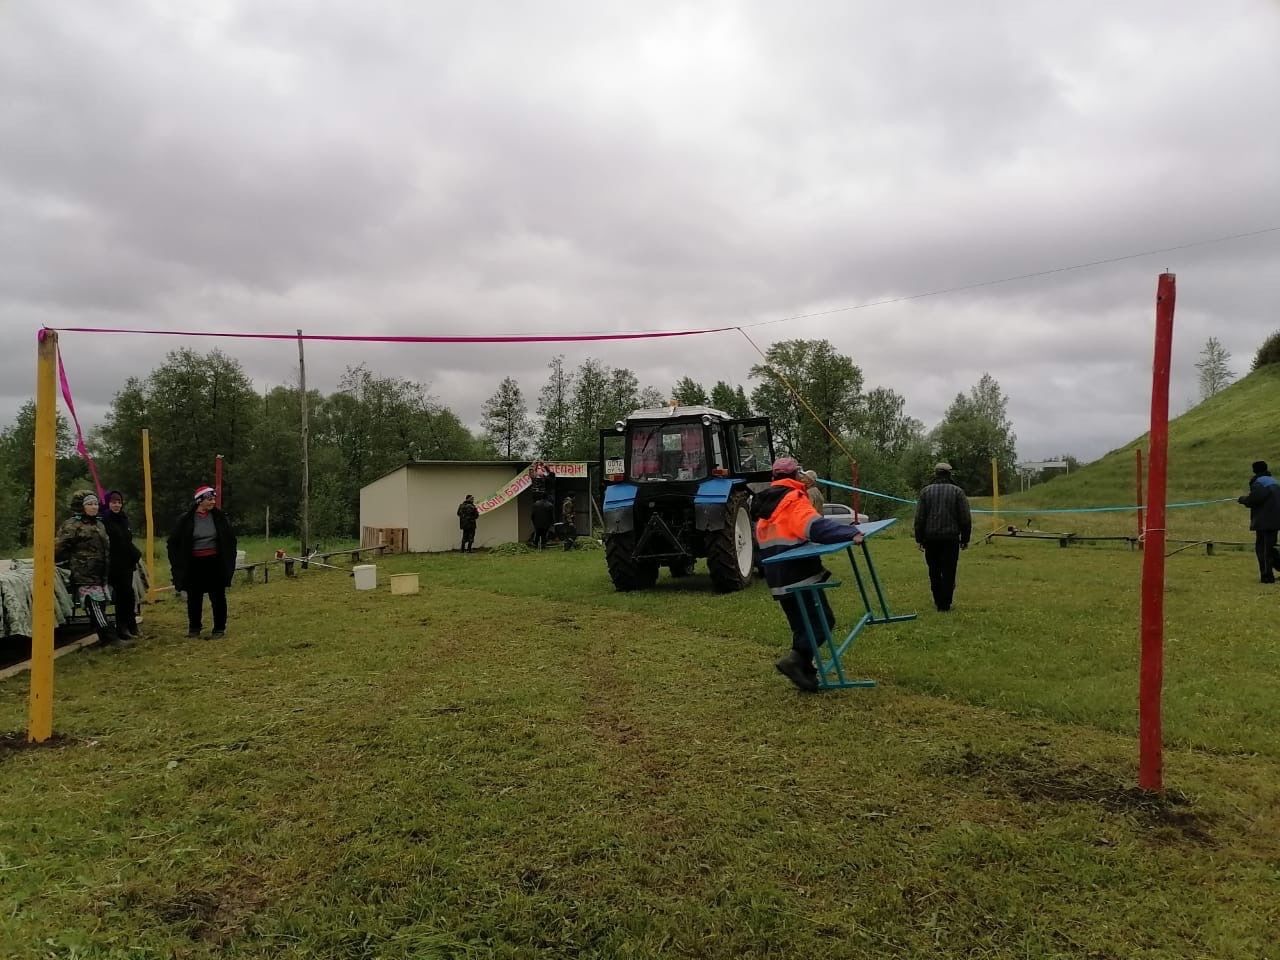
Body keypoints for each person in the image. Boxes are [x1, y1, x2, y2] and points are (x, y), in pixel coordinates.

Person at [752, 457, 864, 692]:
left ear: (773, 478)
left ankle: (806, 673)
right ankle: (793, 661)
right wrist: (850, 532)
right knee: (822, 623)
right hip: (801, 575)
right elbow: (815, 527)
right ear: (795, 476)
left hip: (777, 579)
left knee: (802, 627)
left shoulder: (764, 507)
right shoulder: (792, 499)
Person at [167, 485, 237, 638]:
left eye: (213, 499)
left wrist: (228, 559)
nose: (213, 502)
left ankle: (219, 628)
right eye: (209, 499)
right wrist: (178, 562)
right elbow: (173, 542)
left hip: (215, 562)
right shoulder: (186, 520)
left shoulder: (219, 518)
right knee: (194, 597)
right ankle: (194, 628)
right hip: (194, 563)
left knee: (218, 596)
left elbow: (230, 539)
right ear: (200, 501)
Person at [55, 490, 123, 647]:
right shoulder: (72, 525)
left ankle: (102, 637)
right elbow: (59, 547)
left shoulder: (98, 523)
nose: (94, 507)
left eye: (95, 504)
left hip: (100, 573)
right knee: (95, 604)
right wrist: (71, 563)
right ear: (81, 506)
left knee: (100, 605)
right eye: (89, 504)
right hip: (84, 573)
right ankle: (110, 639)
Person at [913, 462, 972, 612]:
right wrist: (965, 539)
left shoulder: (925, 492)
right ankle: (946, 603)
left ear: (935, 474)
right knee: (949, 570)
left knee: (934, 570)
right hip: (951, 539)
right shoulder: (958, 492)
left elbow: (919, 518)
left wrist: (919, 539)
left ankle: (938, 601)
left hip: (930, 539)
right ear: (949, 474)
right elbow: (965, 518)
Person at [101, 490, 142, 638]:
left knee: (129, 594)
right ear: (108, 503)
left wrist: (135, 555)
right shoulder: (104, 521)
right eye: (113, 502)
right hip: (113, 564)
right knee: (120, 595)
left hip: (127, 563)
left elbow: (127, 540)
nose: (117, 505)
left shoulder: (124, 519)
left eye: (119, 502)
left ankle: (132, 625)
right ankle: (122, 627)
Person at [1237, 459, 1280, 584]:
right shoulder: (1274, 481)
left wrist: (1243, 499)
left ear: (1255, 470)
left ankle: (1267, 577)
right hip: (1275, 519)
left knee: (1262, 549)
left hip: (1264, 520)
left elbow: (1254, 500)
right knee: (1270, 547)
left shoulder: (1259, 483)